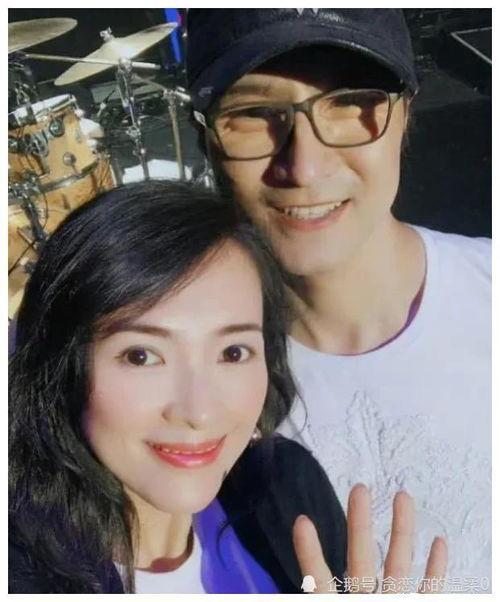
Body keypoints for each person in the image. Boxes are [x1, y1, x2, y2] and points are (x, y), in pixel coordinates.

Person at [8, 181, 446, 594]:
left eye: (233, 352)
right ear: (61, 366)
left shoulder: (284, 487)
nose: (199, 411)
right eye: (142, 356)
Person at [186, 9, 491, 593]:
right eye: (254, 114)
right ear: (206, 137)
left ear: (406, 115)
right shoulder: (182, 389)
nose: (304, 166)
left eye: (351, 103)